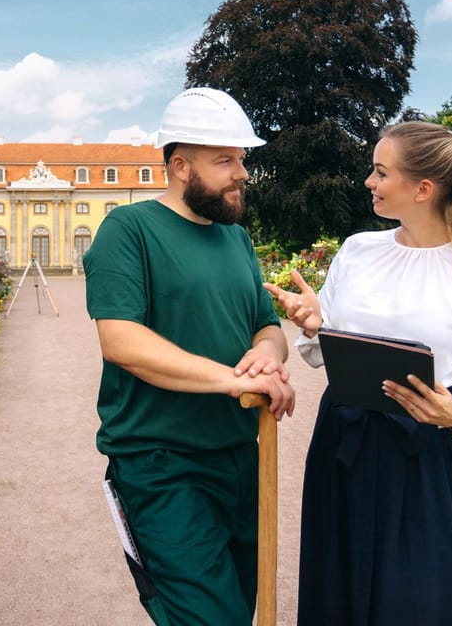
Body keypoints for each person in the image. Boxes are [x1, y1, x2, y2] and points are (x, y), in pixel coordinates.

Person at [266, 120, 452, 625]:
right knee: (339, 584)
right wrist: (318, 324)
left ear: (422, 189)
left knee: (423, 599)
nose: (369, 181)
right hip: (346, 443)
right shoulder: (359, 250)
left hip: (434, 455)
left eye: (381, 172)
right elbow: (329, 349)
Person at [84, 87, 296, 626]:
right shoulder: (128, 231)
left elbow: (266, 327)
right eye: (224, 160)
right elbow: (123, 342)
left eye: (241, 159)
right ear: (180, 165)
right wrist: (230, 379)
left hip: (241, 456)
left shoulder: (235, 239)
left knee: (240, 607)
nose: (241, 172)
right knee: (207, 617)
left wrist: (266, 359)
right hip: (161, 464)